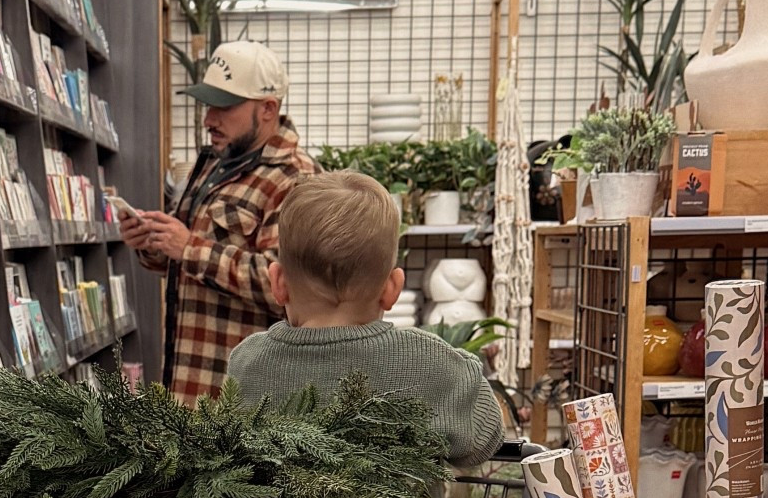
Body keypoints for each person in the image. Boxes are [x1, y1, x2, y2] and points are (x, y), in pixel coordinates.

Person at [225, 170, 504, 469]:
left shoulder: (247, 361)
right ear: (392, 288)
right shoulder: (429, 362)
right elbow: (485, 439)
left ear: (278, 283)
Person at [119, 40, 317, 403]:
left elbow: (291, 285)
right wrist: (153, 243)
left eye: (224, 106)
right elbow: (188, 261)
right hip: (187, 383)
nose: (209, 119)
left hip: (243, 402)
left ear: (268, 108)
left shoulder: (296, 179)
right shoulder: (213, 162)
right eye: (208, 104)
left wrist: (189, 248)